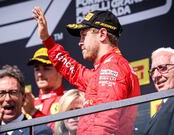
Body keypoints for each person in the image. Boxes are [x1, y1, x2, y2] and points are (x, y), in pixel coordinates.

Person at [32, 7, 141, 135]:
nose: (80, 42)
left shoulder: (111, 67)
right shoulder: (104, 69)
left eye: (84, 36)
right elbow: (73, 70)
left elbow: (104, 122)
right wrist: (47, 40)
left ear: (102, 34)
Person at [0, 65, 53, 135]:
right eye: (1, 93)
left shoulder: (39, 131)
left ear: (23, 98)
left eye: (13, 92)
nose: (7, 99)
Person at [22, 47, 65, 118]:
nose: (40, 74)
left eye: (46, 68)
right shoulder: (27, 105)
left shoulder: (68, 100)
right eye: (37, 69)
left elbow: (58, 129)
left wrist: (33, 112)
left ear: (60, 71)